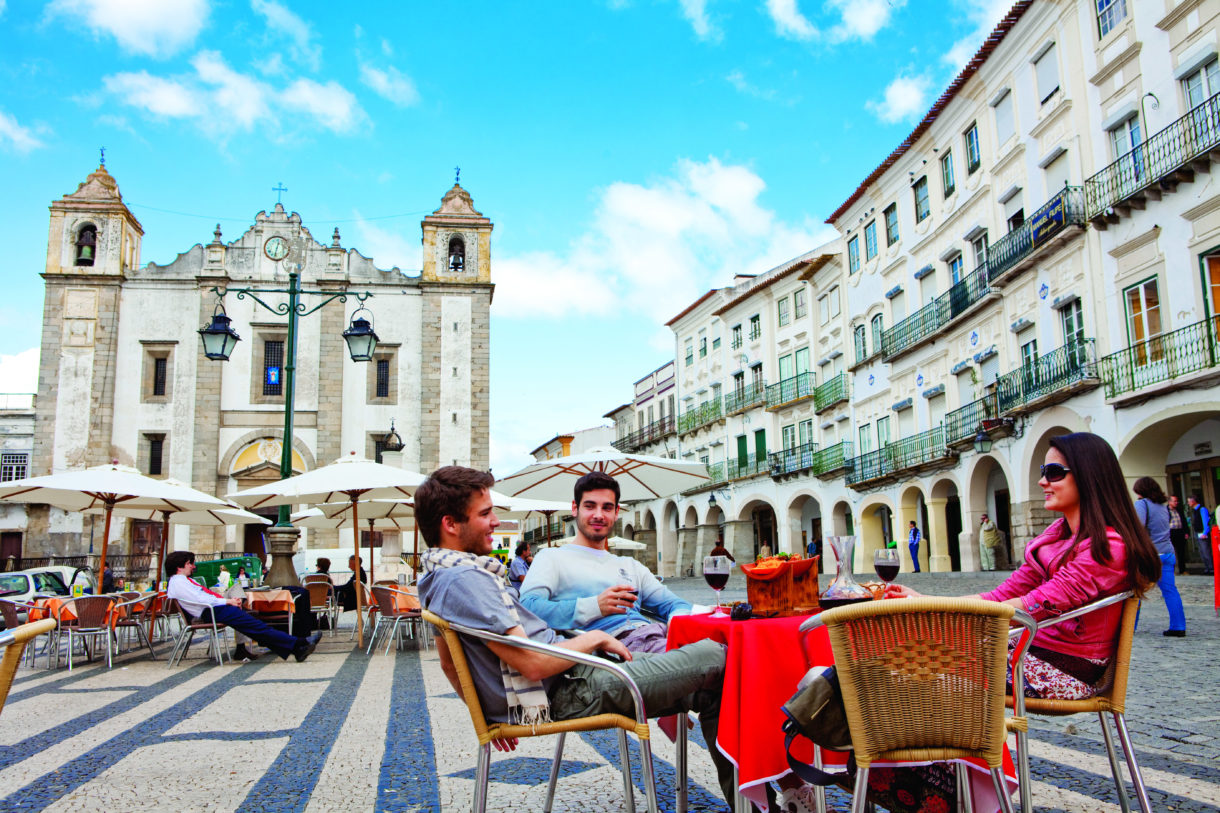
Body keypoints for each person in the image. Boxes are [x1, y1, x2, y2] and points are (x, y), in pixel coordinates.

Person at [414, 466, 737, 808]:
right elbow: (535, 664)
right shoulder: (468, 579)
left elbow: (450, 665)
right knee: (722, 655)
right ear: (450, 524)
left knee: (714, 685)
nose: (496, 521)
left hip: (579, 675)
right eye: (485, 513)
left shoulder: (439, 577)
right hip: (573, 686)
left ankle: (756, 802)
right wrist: (595, 636)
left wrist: (484, 714)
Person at [887, 433, 1160, 700]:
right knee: (897, 653)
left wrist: (932, 611)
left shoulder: (1108, 548)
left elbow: (1034, 604)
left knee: (909, 666)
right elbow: (1000, 597)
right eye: (1043, 471)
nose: (1042, 481)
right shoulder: (1057, 538)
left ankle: (981, 746)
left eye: (1054, 473)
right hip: (1030, 649)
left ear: (1089, 477)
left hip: (1063, 669)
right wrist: (926, 601)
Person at [520, 471, 694, 654]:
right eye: (590, 506)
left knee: (719, 649)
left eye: (607, 508)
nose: (599, 515)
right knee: (718, 656)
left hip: (657, 638)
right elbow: (527, 609)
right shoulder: (551, 558)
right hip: (614, 653)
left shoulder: (630, 565)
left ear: (616, 512)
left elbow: (677, 605)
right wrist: (595, 606)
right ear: (575, 508)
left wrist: (677, 626)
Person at [165, 550, 320, 663]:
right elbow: (200, 599)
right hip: (210, 611)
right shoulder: (179, 582)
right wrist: (228, 602)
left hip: (213, 610)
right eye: (191, 563)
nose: (193, 567)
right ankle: (299, 644)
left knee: (255, 626)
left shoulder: (181, 581)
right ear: (182, 565)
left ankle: (297, 647)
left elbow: (202, 597)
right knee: (257, 626)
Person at [1132, 477, 1186, 637]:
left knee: (1135, 591)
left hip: (1150, 555)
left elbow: (1138, 527)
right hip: (1168, 552)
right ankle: (1178, 626)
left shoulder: (1142, 504)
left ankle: (1130, 626)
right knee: (1170, 591)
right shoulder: (1163, 507)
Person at [1186, 493, 1214, 574]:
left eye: (1189, 501)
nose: (1188, 503)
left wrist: (1205, 532)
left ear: (1193, 501)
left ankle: (1211, 568)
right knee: (1202, 551)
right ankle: (1207, 568)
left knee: (1206, 551)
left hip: (1202, 532)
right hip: (1197, 532)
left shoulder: (1202, 509)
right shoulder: (1194, 511)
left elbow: (1206, 522)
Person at [1167, 495, 1189, 575]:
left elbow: (1184, 521)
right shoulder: (1166, 511)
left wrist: (1186, 532)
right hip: (1171, 532)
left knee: (1181, 552)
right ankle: (1172, 570)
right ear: (1169, 502)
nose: (1176, 503)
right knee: (1171, 553)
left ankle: (1182, 570)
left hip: (1180, 532)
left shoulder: (1179, 510)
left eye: (1177, 501)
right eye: (1174, 501)